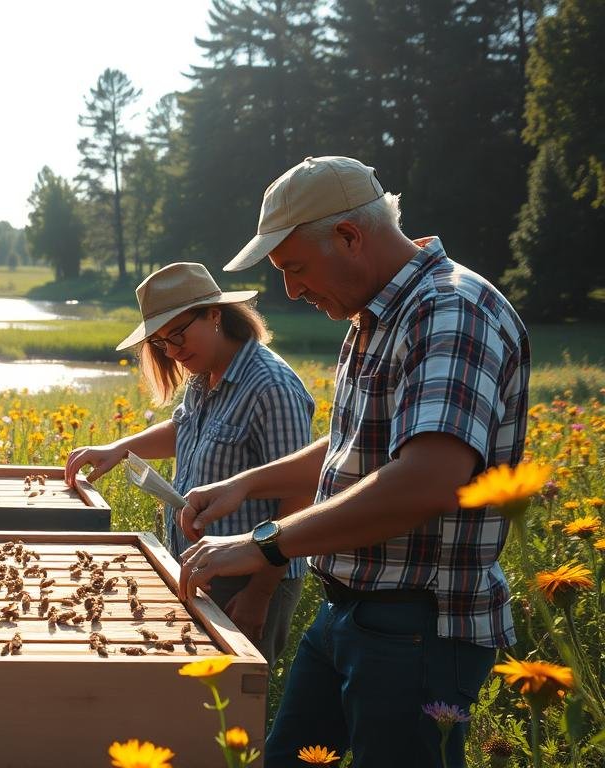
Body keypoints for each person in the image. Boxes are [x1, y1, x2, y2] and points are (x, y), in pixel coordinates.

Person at [177, 156, 530, 767]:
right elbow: (352, 449)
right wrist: (244, 484)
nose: (289, 289)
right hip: (353, 611)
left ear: (349, 236)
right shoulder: (372, 315)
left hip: (418, 626)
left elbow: (425, 481)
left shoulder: (450, 311)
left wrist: (264, 543)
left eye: (294, 268)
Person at [65, 262, 314, 668]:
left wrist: (258, 594)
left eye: (178, 333)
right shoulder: (205, 374)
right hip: (201, 564)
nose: (173, 350)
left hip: (252, 574)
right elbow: (182, 428)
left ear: (215, 314)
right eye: (162, 343)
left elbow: (299, 495)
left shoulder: (272, 386)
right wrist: (118, 448)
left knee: (234, 699)